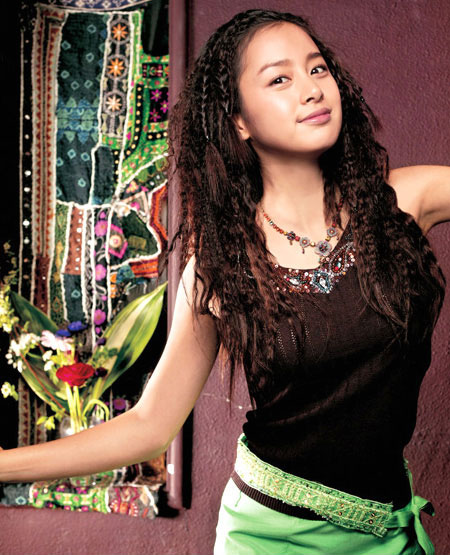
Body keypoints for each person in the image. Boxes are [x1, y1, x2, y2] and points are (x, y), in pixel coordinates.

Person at [1, 8, 449, 554]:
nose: (311, 89)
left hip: (390, 529)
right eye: (279, 79)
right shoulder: (222, 266)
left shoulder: (406, 201)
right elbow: (149, 426)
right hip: (273, 537)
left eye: (317, 69)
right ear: (239, 121)